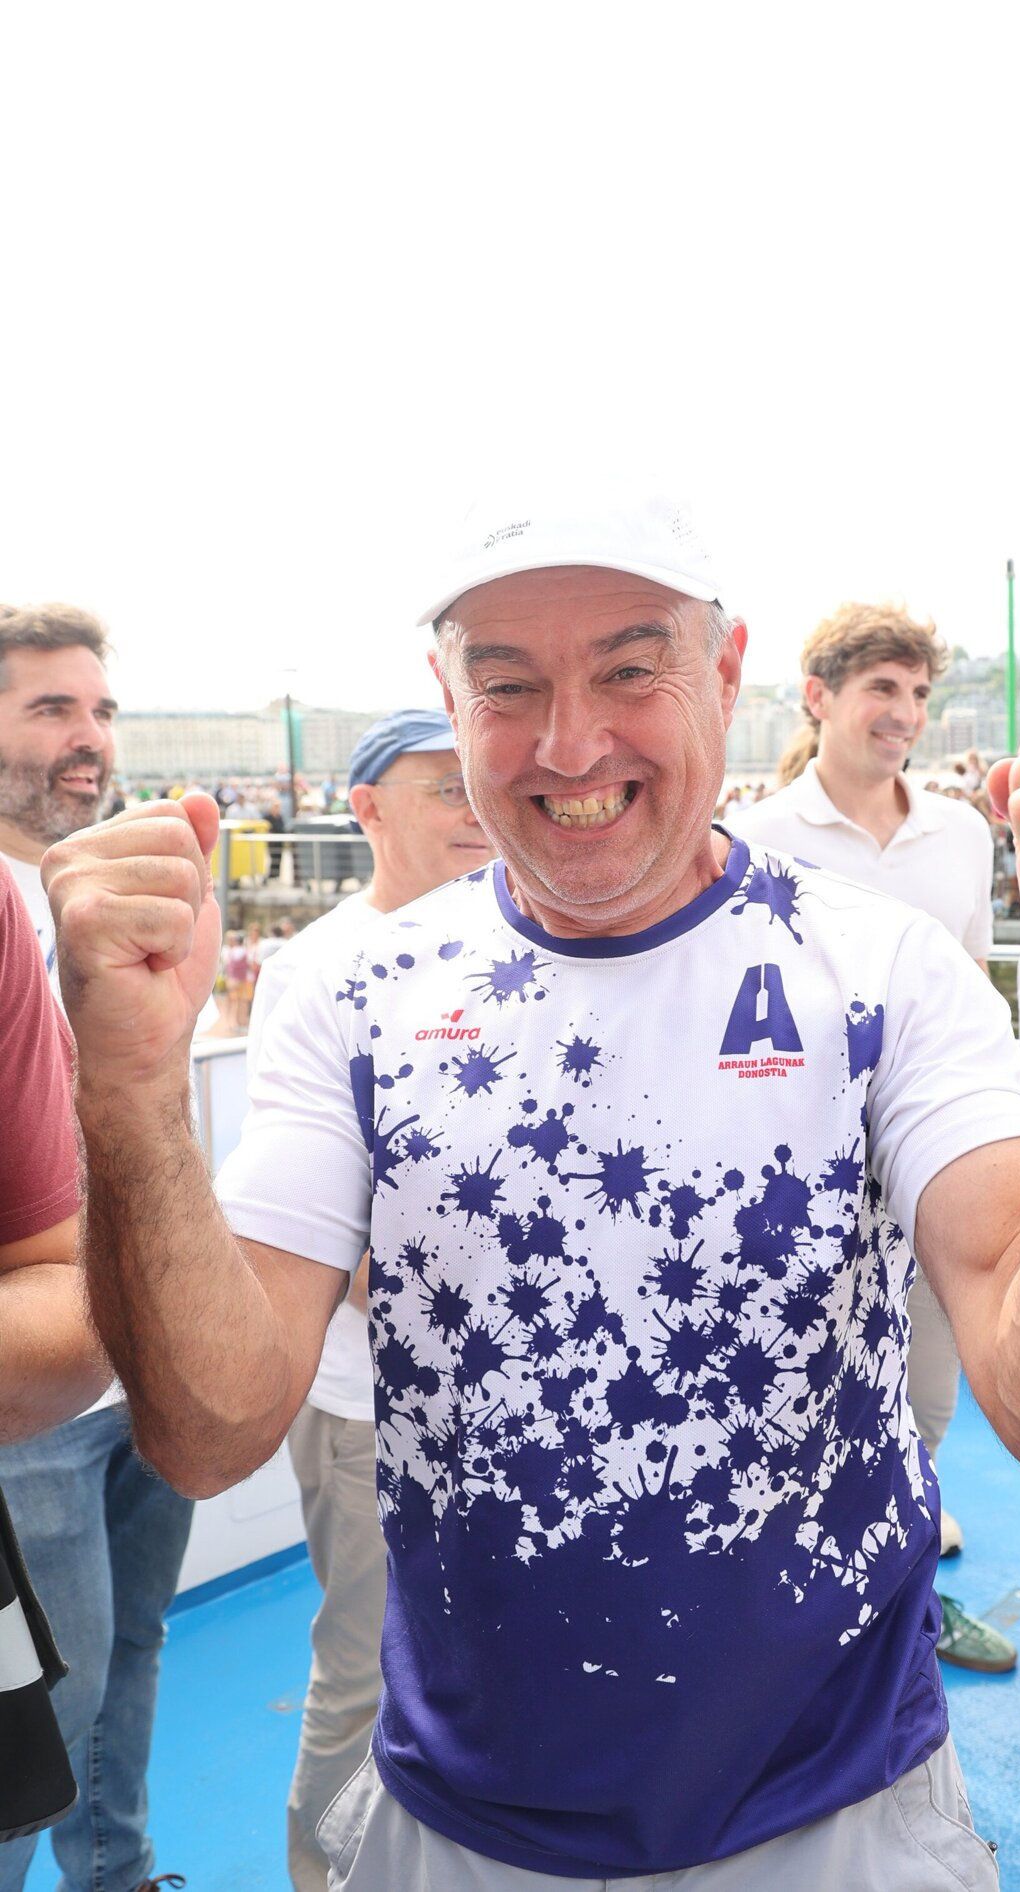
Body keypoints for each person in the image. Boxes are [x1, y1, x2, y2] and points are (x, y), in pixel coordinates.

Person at [46, 495, 1020, 1890]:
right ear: (447, 701)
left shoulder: (883, 971)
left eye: (628, 669)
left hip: (834, 1812)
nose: (570, 743)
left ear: (726, 676)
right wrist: (122, 1093)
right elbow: (209, 1432)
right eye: (508, 685)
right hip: (460, 1823)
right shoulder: (353, 989)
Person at [729, 604, 1011, 1676]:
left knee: (923, 1409)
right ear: (818, 696)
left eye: (917, 694)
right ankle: (795, 1630)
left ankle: (905, 1607)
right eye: (881, 690)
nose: (904, 714)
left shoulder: (959, 834)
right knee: (791, 1413)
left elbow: (978, 1000)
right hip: (801, 1182)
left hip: (932, 1173)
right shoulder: (755, 841)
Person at [251, 708, 494, 1891]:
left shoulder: (514, 944)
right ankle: (319, 1874)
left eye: (478, 784)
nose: (474, 810)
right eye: (441, 788)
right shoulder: (318, 969)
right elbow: (309, 1231)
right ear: (365, 811)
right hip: (368, 1408)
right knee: (363, 1669)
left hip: (500, 1410)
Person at [0, 603, 192, 1892]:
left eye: (102, 708)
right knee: (34, 1720)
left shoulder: (110, 882)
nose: (89, 739)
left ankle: (115, 1875)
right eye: (51, 709)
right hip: (35, 1404)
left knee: (133, 1654)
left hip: (142, 1354)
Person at [0, 860, 107, 1848]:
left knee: (93, 1678)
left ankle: (115, 1864)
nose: (89, 740)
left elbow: (68, 1304)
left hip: (80, 1410)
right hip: (34, 1441)